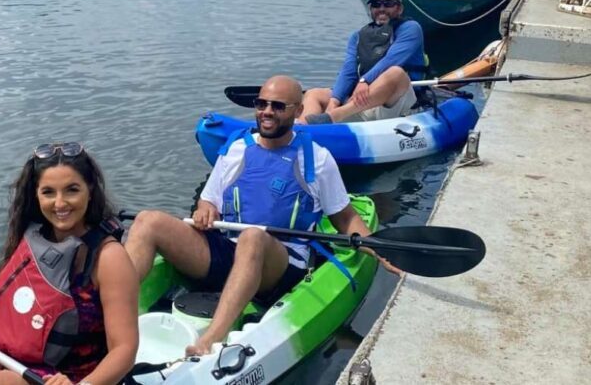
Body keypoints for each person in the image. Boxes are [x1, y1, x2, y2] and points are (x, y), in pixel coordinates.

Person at [125, 75, 400, 357]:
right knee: (148, 220)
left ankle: (210, 340)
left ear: (297, 111)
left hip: (281, 265)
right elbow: (209, 198)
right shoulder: (236, 148)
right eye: (262, 104)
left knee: (253, 237)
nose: (267, 111)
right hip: (227, 251)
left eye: (278, 106)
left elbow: (345, 218)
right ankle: (108, 315)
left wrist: (378, 248)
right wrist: (205, 208)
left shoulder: (316, 159)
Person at [0, 143, 138, 385]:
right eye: (48, 192)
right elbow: (13, 293)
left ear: (89, 189)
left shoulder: (108, 257)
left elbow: (124, 349)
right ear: (36, 194)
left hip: (64, 377)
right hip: (7, 353)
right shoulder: (34, 236)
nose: (60, 204)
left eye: (71, 190)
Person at [299, 0, 426, 124]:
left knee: (396, 72)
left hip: (395, 103)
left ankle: (334, 117)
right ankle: (302, 130)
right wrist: (334, 100)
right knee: (313, 94)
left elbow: (391, 61)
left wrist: (364, 81)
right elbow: (348, 70)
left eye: (388, 4)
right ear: (370, 9)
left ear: (399, 8)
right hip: (361, 103)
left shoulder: (411, 29)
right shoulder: (358, 36)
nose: (382, 9)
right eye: (377, 5)